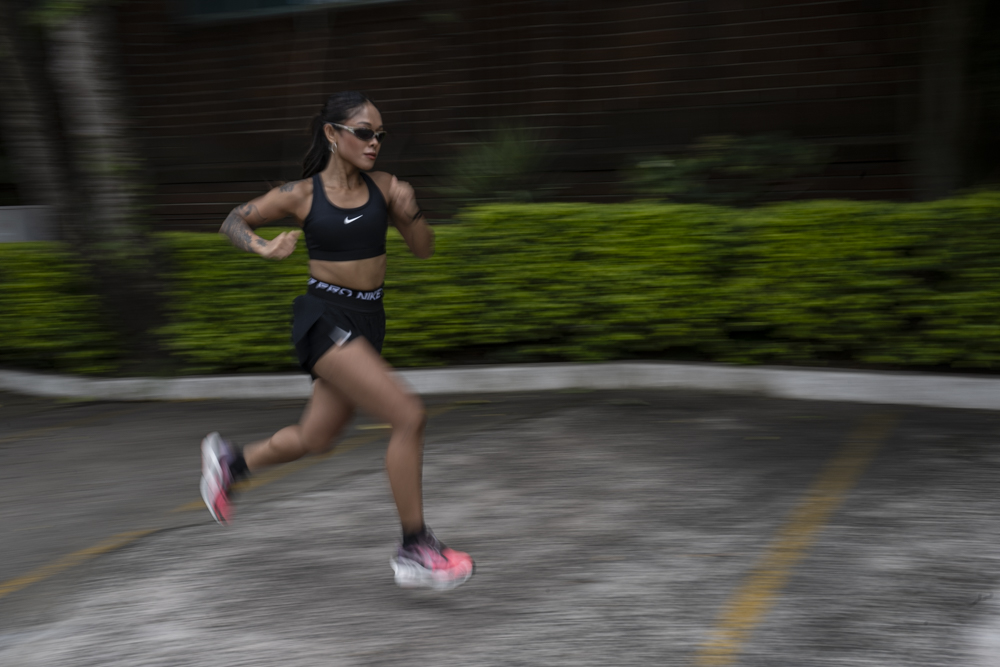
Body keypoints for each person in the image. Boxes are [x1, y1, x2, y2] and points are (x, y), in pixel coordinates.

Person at [199, 91, 473, 590]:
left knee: (316, 438)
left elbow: (424, 250)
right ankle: (415, 547)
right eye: (364, 132)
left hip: (368, 320)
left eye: (380, 135)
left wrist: (411, 212)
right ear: (332, 133)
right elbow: (233, 220)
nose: (374, 143)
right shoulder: (302, 194)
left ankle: (232, 462)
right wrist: (263, 247)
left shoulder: (386, 188)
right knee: (408, 415)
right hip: (324, 317)